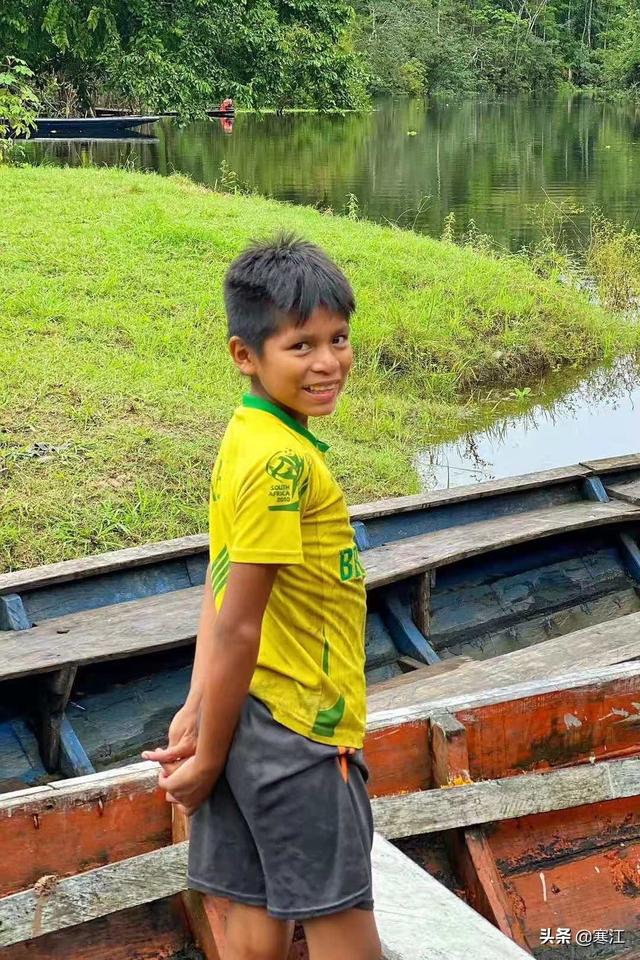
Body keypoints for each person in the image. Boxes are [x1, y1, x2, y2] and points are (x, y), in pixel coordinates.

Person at [143, 235, 381, 960]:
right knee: (346, 935)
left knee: (252, 932)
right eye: (301, 346)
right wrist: (205, 752)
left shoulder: (247, 435)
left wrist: (197, 708)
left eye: (338, 339)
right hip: (301, 730)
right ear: (244, 355)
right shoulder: (282, 461)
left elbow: (218, 584)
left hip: (241, 718)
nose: (329, 362)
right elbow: (241, 622)